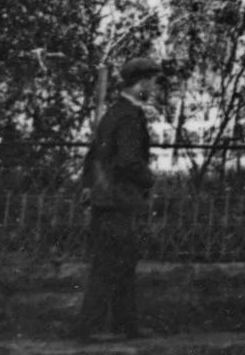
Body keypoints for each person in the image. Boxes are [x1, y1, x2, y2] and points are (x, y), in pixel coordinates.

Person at [72, 57, 161, 341]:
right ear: (141, 83)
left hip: (107, 198)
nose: (155, 88)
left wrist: (89, 187)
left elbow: (93, 156)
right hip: (117, 199)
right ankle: (90, 328)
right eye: (153, 82)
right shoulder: (129, 116)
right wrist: (150, 179)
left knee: (120, 262)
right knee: (111, 265)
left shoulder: (114, 112)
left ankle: (125, 325)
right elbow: (128, 162)